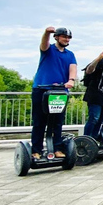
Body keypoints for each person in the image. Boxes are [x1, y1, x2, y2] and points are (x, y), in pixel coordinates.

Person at [30, 27, 77, 159]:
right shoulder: (48, 50)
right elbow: (43, 44)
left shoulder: (70, 54)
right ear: (56, 37)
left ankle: (57, 148)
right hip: (41, 88)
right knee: (40, 121)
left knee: (57, 121)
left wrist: (71, 80)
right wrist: (46, 33)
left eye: (68, 38)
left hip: (60, 91)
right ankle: (36, 150)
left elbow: (72, 68)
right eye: (64, 37)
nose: (66, 39)